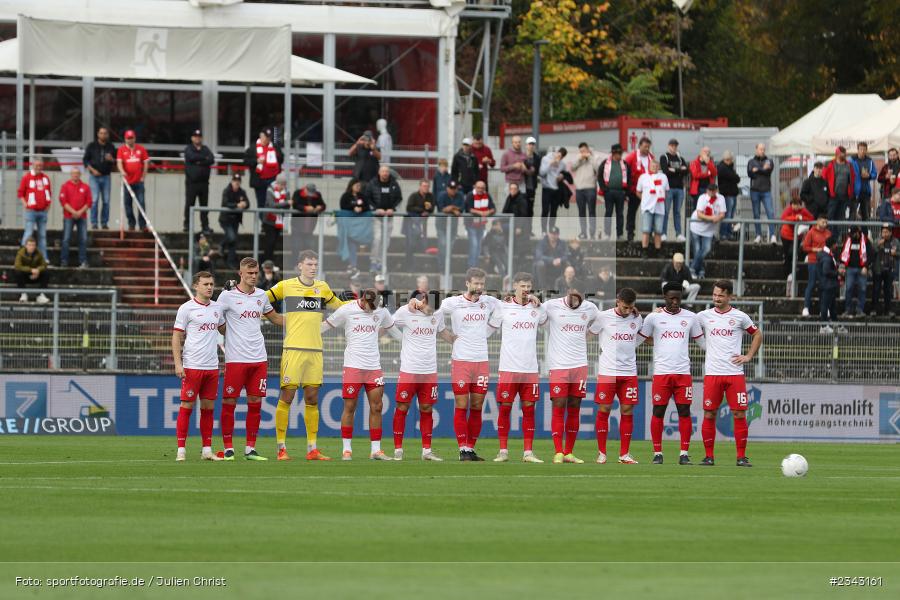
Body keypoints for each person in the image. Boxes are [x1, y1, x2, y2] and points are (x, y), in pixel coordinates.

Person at [265, 251, 347, 461]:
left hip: (315, 351)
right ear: (299, 265)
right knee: (288, 397)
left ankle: (312, 449)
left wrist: (363, 304)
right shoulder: (286, 285)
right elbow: (262, 300)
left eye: (315, 264)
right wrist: (276, 318)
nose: (313, 267)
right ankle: (281, 448)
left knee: (312, 399)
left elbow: (339, 306)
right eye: (309, 264)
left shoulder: (323, 288)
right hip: (293, 349)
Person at [217, 258, 284, 461]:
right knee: (229, 401)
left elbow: (276, 318)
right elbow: (219, 324)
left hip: (258, 358)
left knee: (255, 402)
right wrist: (231, 330)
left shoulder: (262, 296)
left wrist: (304, 319)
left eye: (255, 273)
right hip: (236, 359)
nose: (253, 276)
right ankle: (228, 448)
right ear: (240, 273)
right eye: (250, 273)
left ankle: (250, 449)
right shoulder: (226, 296)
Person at [323, 289, 395, 460]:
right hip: (353, 366)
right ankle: (346, 450)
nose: (369, 309)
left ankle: (375, 450)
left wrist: (408, 342)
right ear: (362, 300)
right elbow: (327, 325)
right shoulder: (347, 310)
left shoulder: (381, 312)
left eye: (372, 307)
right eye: (367, 305)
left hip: (373, 367)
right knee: (350, 407)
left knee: (377, 407)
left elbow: (393, 330)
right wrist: (306, 335)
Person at [697, 280, 763, 467]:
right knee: (709, 414)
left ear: (729, 296)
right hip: (712, 374)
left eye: (721, 295)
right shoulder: (704, 316)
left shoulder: (740, 317)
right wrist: (660, 312)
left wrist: (749, 356)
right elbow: (684, 321)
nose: (717, 298)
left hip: (735, 374)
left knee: (740, 414)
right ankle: (709, 456)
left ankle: (741, 457)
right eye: (715, 295)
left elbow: (757, 334)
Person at [440, 268, 502, 461]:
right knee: (462, 403)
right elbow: (433, 311)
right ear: (467, 283)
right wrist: (445, 333)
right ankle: (462, 449)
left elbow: (505, 308)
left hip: (481, 361)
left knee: (477, 405)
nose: (479, 287)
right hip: (461, 361)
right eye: (476, 283)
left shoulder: (489, 302)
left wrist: (490, 329)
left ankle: (470, 449)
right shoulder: (453, 302)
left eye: (482, 284)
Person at [638, 282, 704, 465]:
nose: (675, 301)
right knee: (658, 411)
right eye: (671, 298)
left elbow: (702, 343)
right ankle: (657, 453)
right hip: (661, 373)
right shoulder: (653, 318)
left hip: (683, 373)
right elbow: (639, 339)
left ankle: (684, 453)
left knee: (684, 411)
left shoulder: (691, 317)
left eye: (678, 298)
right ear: (664, 297)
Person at [488, 273, 547, 463]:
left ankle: (528, 452)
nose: (526, 289)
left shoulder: (537, 309)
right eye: (522, 285)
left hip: (530, 369)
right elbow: (488, 329)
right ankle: (503, 451)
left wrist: (539, 302)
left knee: (529, 409)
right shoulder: (503, 307)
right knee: (505, 408)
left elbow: (549, 322)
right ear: (514, 286)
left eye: (529, 286)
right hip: (508, 368)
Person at [388, 292, 454, 461]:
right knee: (402, 408)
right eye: (430, 308)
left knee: (427, 409)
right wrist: (399, 337)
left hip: (429, 371)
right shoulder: (405, 311)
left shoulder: (437, 314)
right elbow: (388, 322)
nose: (433, 312)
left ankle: (426, 451)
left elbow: (443, 332)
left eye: (435, 309)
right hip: (409, 370)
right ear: (423, 301)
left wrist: (460, 340)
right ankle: (398, 450)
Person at [171, 271, 225, 462]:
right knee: (186, 406)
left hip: (212, 366)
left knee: (208, 408)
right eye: (205, 284)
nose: (210, 287)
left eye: (211, 284)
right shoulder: (186, 309)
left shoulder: (218, 308)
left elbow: (224, 330)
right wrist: (179, 364)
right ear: (196, 286)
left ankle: (206, 450)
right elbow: (176, 337)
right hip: (192, 365)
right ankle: (181, 450)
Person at [544, 288, 599, 463]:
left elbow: (606, 318)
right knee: (559, 405)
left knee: (575, 406)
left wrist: (632, 313)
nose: (577, 302)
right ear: (568, 294)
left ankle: (569, 452)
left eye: (580, 299)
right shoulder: (551, 306)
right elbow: (534, 311)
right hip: (559, 365)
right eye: (574, 298)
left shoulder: (590, 308)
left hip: (580, 365)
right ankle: (558, 451)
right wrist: (531, 299)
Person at [588, 287, 642, 464]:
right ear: (618, 301)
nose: (628, 311)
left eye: (631, 307)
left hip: (629, 373)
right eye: (625, 307)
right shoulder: (603, 317)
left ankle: (624, 454)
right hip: (608, 372)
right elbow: (589, 335)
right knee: (604, 410)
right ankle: (601, 453)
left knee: (627, 411)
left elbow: (639, 338)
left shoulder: (637, 318)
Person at [365, 165, 403, 273]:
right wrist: (376, 209)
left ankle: (381, 262)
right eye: (383, 171)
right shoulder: (373, 183)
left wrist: (393, 209)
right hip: (377, 217)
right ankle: (373, 261)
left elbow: (399, 198)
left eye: (387, 171)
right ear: (379, 172)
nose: (385, 173)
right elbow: (367, 197)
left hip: (389, 217)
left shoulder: (394, 183)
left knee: (386, 241)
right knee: (377, 239)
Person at [688, 183, 726, 280]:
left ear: (716, 190)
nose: (712, 192)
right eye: (710, 190)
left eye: (713, 190)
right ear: (707, 191)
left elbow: (722, 213)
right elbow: (699, 214)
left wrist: (718, 218)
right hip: (696, 227)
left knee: (706, 249)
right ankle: (699, 271)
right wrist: (711, 218)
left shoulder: (721, 198)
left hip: (709, 230)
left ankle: (692, 268)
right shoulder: (702, 198)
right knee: (697, 249)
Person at [82, 126, 116, 229]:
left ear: (107, 135)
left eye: (105, 133)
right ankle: (94, 223)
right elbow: (85, 160)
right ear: (98, 134)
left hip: (106, 177)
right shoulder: (91, 146)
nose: (103, 135)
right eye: (101, 133)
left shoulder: (111, 146)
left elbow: (116, 161)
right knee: (94, 200)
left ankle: (104, 223)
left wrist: (112, 160)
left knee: (106, 201)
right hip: (94, 177)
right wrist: (92, 170)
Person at [18, 156, 52, 257]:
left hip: (43, 211)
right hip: (31, 211)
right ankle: (22, 257)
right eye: (37, 165)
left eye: (40, 165)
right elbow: (20, 193)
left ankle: (43, 258)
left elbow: (49, 193)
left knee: (42, 236)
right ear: (33, 165)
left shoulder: (45, 178)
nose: (39, 167)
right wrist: (25, 204)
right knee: (28, 233)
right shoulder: (27, 177)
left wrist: (48, 206)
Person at [116, 130, 150, 231]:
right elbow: (119, 163)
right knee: (128, 204)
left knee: (141, 203)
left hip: (139, 182)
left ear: (134, 138)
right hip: (127, 182)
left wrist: (143, 176)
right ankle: (131, 223)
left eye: (131, 138)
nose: (130, 140)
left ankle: (142, 225)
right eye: (128, 138)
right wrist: (122, 171)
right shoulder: (121, 150)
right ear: (125, 139)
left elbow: (146, 163)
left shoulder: (141, 149)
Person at [59, 167, 92, 268]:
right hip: (68, 216)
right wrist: (74, 212)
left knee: (83, 239)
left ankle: (83, 261)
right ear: (70, 174)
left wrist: (80, 212)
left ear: (80, 175)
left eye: (77, 173)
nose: (75, 175)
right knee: (66, 239)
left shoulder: (86, 187)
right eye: (73, 173)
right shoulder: (65, 186)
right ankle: (64, 261)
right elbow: (63, 201)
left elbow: (89, 202)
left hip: (82, 216)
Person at [183, 129, 215, 234]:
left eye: (199, 136)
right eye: (195, 136)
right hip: (192, 183)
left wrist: (198, 161)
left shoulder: (205, 149)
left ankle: (205, 226)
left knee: (204, 206)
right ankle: (187, 225)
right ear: (192, 138)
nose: (197, 138)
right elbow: (192, 157)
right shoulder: (189, 149)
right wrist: (204, 159)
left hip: (204, 183)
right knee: (189, 205)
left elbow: (211, 159)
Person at [838, 226, 873, 319]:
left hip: (862, 269)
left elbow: (870, 254)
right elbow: (842, 254)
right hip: (850, 269)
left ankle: (860, 310)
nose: (853, 235)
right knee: (848, 289)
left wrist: (866, 266)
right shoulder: (848, 240)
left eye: (854, 233)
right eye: (851, 234)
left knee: (862, 289)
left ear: (858, 232)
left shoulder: (866, 241)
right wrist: (843, 266)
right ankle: (847, 309)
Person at [624, 137, 655, 242]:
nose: (647, 149)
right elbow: (625, 172)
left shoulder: (651, 157)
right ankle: (630, 233)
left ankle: (649, 233)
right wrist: (627, 189)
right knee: (632, 212)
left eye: (648, 147)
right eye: (645, 146)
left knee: (649, 212)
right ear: (640, 146)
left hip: (648, 192)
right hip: (634, 190)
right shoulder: (631, 157)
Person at [801, 216, 832, 317]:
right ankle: (806, 307)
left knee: (824, 286)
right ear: (818, 222)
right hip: (813, 261)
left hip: (824, 262)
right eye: (823, 221)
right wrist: (815, 249)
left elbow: (831, 246)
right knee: (811, 283)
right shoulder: (811, 232)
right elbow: (805, 247)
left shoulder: (828, 233)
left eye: (826, 222)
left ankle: (824, 309)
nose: (825, 224)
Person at [822, 146, 855, 241]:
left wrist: (851, 194)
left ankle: (836, 239)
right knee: (830, 216)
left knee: (840, 218)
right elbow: (824, 178)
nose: (843, 155)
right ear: (837, 153)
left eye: (844, 153)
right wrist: (827, 193)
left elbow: (852, 179)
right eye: (841, 153)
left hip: (844, 196)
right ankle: (829, 238)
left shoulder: (849, 165)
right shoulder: (830, 164)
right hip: (832, 196)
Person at [636, 159, 668, 254]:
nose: (654, 168)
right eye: (652, 166)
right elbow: (638, 191)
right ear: (649, 166)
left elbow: (666, 190)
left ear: (659, 167)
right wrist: (645, 199)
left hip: (659, 207)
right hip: (647, 207)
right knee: (646, 230)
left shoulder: (663, 177)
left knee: (658, 231)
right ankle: (644, 251)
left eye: (656, 166)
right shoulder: (643, 177)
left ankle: (658, 250)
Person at [598, 144, 630, 240]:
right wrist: (604, 189)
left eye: (620, 153)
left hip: (620, 192)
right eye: (617, 153)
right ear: (613, 153)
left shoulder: (624, 164)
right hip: (609, 192)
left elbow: (629, 178)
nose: (619, 155)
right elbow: (600, 176)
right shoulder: (605, 163)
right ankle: (607, 234)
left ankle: (619, 234)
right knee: (608, 212)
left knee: (620, 214)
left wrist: (626, 192)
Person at [660, 139, 689, 241]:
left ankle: (679, 234)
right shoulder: (664, 157)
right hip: (668, 188)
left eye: (675, 145)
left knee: (677, 212)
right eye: (672, 145)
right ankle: (663, 233)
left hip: (680, 189)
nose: (674, 147)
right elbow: (665, 171)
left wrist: (674, 170)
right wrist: (680, 170)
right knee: (666, 211)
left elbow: (687, 171)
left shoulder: (680, 158)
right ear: (668, 146)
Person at [571, 142, 601, 240]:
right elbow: (572, 168)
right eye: (581, 151)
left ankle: (592, 233)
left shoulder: (594, 157)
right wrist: (580, 159)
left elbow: (598, 169)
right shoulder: (577, 158)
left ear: (588, 149)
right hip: (579, 188)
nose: (582, 153)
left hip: (590, 188)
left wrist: (590, 157)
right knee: (581, 212)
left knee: (592, 211)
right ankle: (583, 232)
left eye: (584, 151)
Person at [747, 143, 776, 243]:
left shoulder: (769, 160)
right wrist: (763, 169)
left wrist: (758, 169)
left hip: (766, 190)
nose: (762, 151)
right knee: (756, 213)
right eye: (760, 149)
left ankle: (772, 235)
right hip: (754, 190)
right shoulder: (751, 161)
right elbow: (750, 173)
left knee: (770, 212)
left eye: (763, 149)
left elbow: (768, 172)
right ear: (756, 149)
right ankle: (758, 235)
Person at [780, 198, 815, 281]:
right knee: (787, 254)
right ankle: (787, 272)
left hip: (797, 235)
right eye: (794, 204)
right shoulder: (788, 209)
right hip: (786, 235)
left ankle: (793, 270)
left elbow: (811, 218)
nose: (796, 207)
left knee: (792, 252)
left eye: (798, 205)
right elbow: (784, 218)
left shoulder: (803, 210)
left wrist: (802, 218)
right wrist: (795, 218)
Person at [219, 174, 249, 270]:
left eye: (238, 181)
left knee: (233, 240)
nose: (236, 183)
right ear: (232, 181)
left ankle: (231, 261)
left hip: (235, 220)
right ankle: (222, 244)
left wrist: (244, 204)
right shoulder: (226, 190)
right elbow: (225, 203)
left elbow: (248, 203)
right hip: (226, 219)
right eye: (235, 181)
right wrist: (237, 205)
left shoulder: (242, 192)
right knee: (231, 237)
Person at [463, 180, 495, 269]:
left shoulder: (487, 195)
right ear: (475, 187)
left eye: (482, 188)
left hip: (481, 225)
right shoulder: (470, 195)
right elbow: (469, 209)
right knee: (474, 244)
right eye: (478, 188)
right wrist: (480, 212)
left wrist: (488, 211)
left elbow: (493, 208)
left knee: (479, 246)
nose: (480, 189)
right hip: (471, 224)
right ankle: (471, 265)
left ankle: (475, 264)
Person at [403, 179, 434, 268]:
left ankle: (419, 265)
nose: (426, 188)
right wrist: (422, 211)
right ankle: (408, 265)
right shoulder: (414, 196)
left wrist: (426, 212)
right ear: (420, 186)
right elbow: (409, 208)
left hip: (422, 223)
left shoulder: (430, 196)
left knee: (422, 242)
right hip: (411, 222)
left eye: (427, 186)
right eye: (424, 186)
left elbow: (431, 208)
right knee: (410, 243)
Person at [538, 147, 568, 235]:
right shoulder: (546, 159)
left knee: (554, 211)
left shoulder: (562, 164)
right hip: (547, 188)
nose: (559, 158)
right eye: (558, 155)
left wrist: (562, 176)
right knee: (545, 210)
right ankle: (543, 230)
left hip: (557, 189)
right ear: (556, 152)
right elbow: (541, 172)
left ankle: (551, 229)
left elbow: (565, 174)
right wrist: (550, 163)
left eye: (561, 157)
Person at [435, 180, 464, 271]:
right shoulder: (442, 194)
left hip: (452, 226)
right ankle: (441, 267)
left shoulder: (459, 195)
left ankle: (447, 267)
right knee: (443, 244)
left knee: (450, 247)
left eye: (454, 189)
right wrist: (454, 208)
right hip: (442, 225)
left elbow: (461, 208)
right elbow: (442, 209)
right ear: (447, 188)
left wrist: (451, 208)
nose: (453, 191)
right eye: (451, 189)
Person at [871, 224, 898, 316]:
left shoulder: (895, 241)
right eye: (883, 232)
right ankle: (874, 309)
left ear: (890, 233)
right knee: (876, 290)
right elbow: (871, 252)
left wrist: (896, 253)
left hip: (890, 269)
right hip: (878, 269)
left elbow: (899, 254)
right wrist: (878, 245)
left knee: (888, 291)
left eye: (886, 232)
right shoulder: (877, 240)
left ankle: (888, 310)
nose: (884, 234)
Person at [252, 129, 282, 209]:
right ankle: (263, 220)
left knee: (273, 201)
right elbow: (246, 160)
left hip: (273, 179)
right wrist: (256, 161)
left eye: (269, 137)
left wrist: (275, 156)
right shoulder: (253, 147)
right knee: (261, 202)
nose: (267, 139)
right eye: (265, 137)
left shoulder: (274, 147)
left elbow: (281, 159)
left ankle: (271, 220)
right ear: (261, 136)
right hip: (260, 180)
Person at [262, 174, 289, 264]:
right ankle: (266, 262)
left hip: (279, 221)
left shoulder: (286, 192)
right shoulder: (270, 190)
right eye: (281, 184)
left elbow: (288, 206)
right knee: (270, 242)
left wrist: (285, 203)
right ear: (277, 183)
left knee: (274, 243)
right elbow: (272, 205)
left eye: (284, 185)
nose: (282, 187)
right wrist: (285, 203)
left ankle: (270, 262)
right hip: (269, 220)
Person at [14, 237, 49, 304]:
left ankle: (41, 295)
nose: (31, 247)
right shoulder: (20, 253)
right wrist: (30, 270)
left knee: (46, 273)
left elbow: (44, 265)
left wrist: (38, 270)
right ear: (26, 245)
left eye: (33, 245)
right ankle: (23, 294)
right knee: (17, 272)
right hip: (25, 275)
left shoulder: (39, 253)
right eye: (29, 245)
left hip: (36, 275)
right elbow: (17, 266)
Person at [716, 151, 741, 240]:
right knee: (727, 215)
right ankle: (723, 233)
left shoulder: (729, 167)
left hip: (733, 194)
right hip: (727, 195)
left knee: (731, 215)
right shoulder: (722, 167)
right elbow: (734, 177)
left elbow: (737, 178)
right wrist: (734, 176)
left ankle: (729, 232)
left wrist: (734, 177)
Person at [849, 142, 876, 221]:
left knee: (866, 214)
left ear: (866, 150)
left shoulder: (870, 161)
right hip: (854, 191)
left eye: (864, 149)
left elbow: (874, 174)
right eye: (861, 149)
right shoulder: (851, 160)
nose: (862, 151)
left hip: (866, 191)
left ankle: (865, 233)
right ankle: (852, 232)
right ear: (857, 150)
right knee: (853, 214)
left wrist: (869, 176)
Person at [817, 244, 840, 331]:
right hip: (828, 285)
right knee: (825, 305)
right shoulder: (827, 257)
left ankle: (835, 324)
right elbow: (826, 271)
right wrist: (837, 273)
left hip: (828, 285)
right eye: (835, 244)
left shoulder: (825, 255)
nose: (836, 246)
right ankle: (823, 326)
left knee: (832, 306)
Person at [689, 146, 717, 214]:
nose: (707, 153)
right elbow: (695, 175)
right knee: (697, 207)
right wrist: (707, 174)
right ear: (701, 153)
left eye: (708, 152)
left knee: (708, 207)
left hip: (709, 189)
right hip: (698, 189)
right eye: (705, 151)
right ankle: (696, 223)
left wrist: (708, 163)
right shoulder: (694, 162)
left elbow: (714, 173)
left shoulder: (710, 162)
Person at [523, 137, 540, 234]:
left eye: (533, 144)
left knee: (530, 209)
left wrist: (534, 170)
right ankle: (521, 229)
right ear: (526, 145)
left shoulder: (537, 157)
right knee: (521, 209)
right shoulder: (521, 156)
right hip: (521, 186)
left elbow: (537, 170)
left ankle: (529, 230)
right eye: (530, 144)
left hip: (531, 187)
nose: (531, 146)